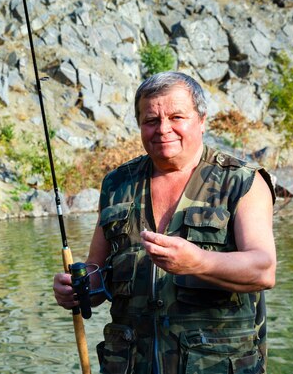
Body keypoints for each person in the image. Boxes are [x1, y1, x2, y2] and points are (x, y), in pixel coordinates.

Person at [53, 71, 276, 374]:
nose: (163, 129)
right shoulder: (117, 184)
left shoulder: (241, 181)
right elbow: (97, 274)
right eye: (151, 121)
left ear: (201, 120)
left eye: (177, 117)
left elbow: (263, 270)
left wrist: (198, 261)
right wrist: (76, 289)